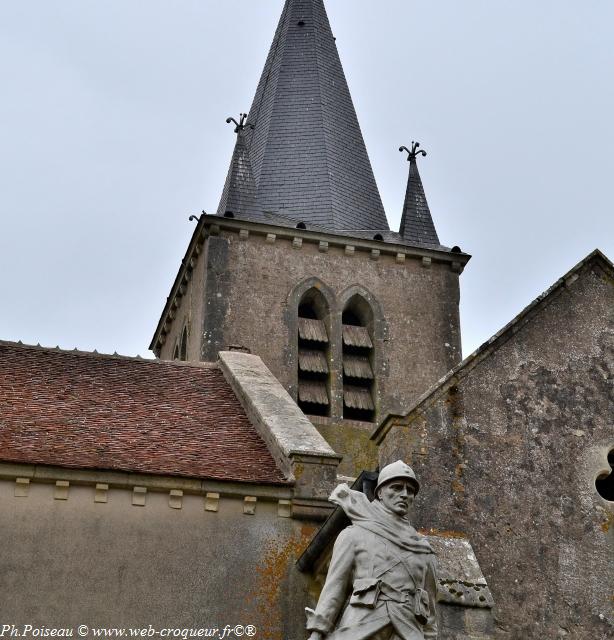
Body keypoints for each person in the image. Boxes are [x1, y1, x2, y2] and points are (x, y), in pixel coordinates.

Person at [306, 461, 437, 640]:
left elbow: (429, 605)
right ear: (380, 493)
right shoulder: (353, 535)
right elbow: (334, 588)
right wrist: (317, 633)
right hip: (360, 628)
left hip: (408, 631)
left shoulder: (423, 549)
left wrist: (430, 636)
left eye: (410, 490)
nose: (405, 494)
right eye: (397, 488)